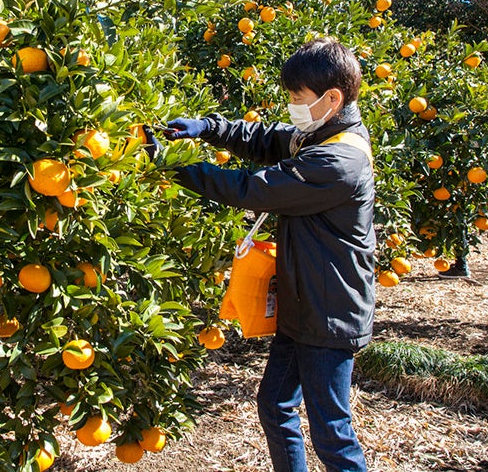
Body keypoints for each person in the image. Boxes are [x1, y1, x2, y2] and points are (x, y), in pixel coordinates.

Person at [159, 37, 375, 472]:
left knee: (332, 433)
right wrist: (206, 127)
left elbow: (253, 189)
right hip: (302, 304)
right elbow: (265, 137)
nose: (293, 106)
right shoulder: (322, 131)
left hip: (330, 315)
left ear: (331, 99)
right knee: (276, 408)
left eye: (298, 98)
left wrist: (173, 166)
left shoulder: (338, 161)